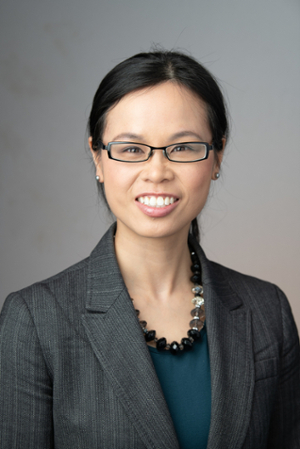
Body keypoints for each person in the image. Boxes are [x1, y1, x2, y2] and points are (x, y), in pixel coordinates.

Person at [0, 50, 299, 449]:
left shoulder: (268, 311)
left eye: (184, 147)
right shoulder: (36, 320)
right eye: (130, 149)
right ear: (97, 158)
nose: (157, 171)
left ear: (217, 156)